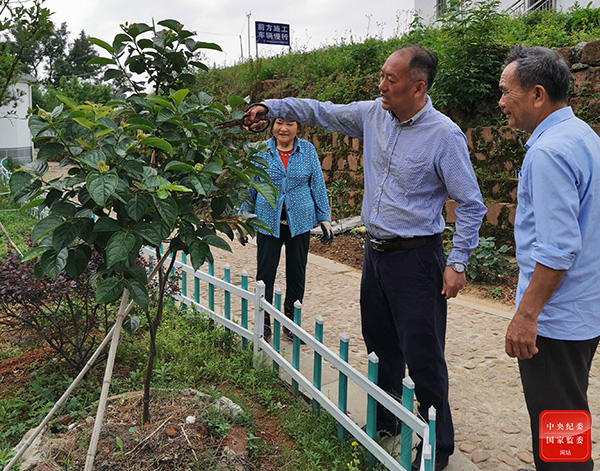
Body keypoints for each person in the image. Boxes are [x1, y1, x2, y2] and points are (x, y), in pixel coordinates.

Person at [246, 45, 486, 470]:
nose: (381, 86)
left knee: (423, 355)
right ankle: (387, 423)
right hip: (374, 255)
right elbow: (320, 111)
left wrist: (458, 261)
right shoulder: (372, 114)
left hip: (417, 259)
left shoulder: (443, 135)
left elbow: (470, 204)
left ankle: (438, 446)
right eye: (381, 77)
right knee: (380, 345)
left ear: (418, 87)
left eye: (390, 80)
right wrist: (273, 107)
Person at [500, 46, 600, 471]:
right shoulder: (584, 137)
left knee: (559, 438)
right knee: (568, 418)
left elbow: (558, 249)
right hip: (584, 310)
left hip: (555, 321)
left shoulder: (548, 153)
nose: (501, 102)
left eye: (506, 91)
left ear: (537, 94)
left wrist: (526, 316)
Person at [240, 118, 333, 341]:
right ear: (272, 125)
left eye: (290, 124)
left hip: (299, 221)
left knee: (297, 273)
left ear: (298, 128)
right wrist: (243, 218)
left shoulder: (307, 150)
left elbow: (317, 184)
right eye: (279, 123)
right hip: (267, 220)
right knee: (265, 274)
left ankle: (291, 323)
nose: (284, 129)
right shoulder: (260, 151)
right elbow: (250, 185)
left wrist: (325, 218)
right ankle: (264, 321)